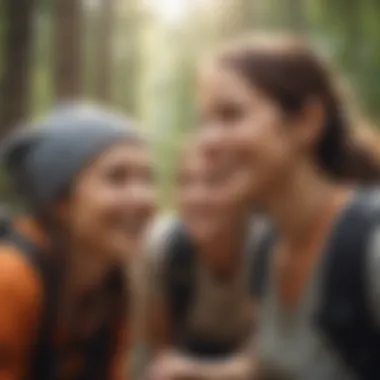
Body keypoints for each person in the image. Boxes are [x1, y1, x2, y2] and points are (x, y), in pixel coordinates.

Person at [198, 33, 380, 380]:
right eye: (206, 121)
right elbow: (271, 363)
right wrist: (199, 372)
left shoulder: (371, 246)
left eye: (231, 115)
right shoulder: (265, 245)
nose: (207, 142)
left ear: (307, 122)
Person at [0, 104, 156, 380]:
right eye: (117, 178)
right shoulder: (11, 278)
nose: (143, 198)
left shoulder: (113, 284)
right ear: (61, 202)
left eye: (147, 178)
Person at [141, 140, 260, 380]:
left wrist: (197, 372)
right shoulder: (163, 249)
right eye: (186, 182)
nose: (196, 197)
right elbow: (159, 353)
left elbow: (269, 362)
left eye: (214, 182)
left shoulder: (267, 249)